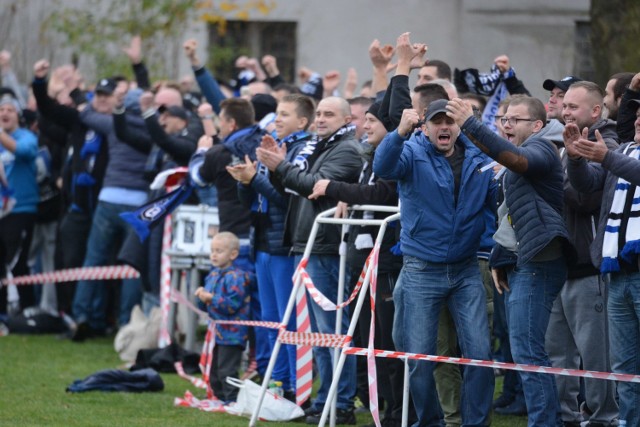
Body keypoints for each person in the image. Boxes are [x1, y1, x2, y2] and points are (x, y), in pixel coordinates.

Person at [374, 55, 497, 426]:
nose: (444, 127)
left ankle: (476, 424)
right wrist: (397, 132)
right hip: (421, 270)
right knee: (421, 360)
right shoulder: (411, 153)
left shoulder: (480, 158)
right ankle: (429, 422)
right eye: (437, 121)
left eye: (450, 121)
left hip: (464, 270)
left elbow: (495, 205)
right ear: (425, 127)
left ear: (459, 126)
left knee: (479, 355)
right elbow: (382, 167)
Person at [447, 95, 572, 427]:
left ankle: (545, 423)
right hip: (521, 264)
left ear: (537, 126)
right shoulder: (518, 154)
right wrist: (502, 259)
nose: (506, 124)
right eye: (503, 118)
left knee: (528, 351)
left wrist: (471, 124)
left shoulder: (543, 147)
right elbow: (511, 219)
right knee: (524, 351)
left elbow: (518, 161)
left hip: (539, 263)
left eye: (515, 119)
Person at [256, 96, 362, 425]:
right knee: (318, 333)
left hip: (327, 247)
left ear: (346, 120)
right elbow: (295, 189)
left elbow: (312, 187)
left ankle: (340, 403)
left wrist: (280, 167)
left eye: (329, 114)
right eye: (319, 113)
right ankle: (324, 398)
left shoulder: (346, 149)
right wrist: (278, 168)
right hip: (309, 244)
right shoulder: (320, 145)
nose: (320, 119)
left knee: (332, 330)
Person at [308, 101, 404, 427]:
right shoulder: (369, 156)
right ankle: (376, 405)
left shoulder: (392, 157)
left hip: (387, 260)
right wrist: (346, 196)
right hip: (363, 259)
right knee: (366, 342)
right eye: (365, 120)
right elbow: (368, 190)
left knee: (388, 343)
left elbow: (381, 194)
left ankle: (395, 412)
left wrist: (337, 189)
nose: (366, 126)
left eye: (373, 120)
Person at [226, 93, 315, 400]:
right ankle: (275, 382)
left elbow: (289, 201)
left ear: (302, 122)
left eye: (284, 115)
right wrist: (245, 179)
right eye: (277, 114)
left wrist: (258, 179)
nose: (277, 119)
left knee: (287, 320)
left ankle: (295, 387)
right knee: (269, 318)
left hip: (284, 245)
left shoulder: (303, 149)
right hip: (261, 240)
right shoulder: (270, 146)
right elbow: (249, 201)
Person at [546, 81, 619, 427]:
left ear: (595, 111)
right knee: (557, 351)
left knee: (595, 355)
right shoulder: (563, 144)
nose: (565, 111)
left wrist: (557, 180)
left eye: (574, 106)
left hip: (589, 268)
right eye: (565, 105)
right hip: (559, 266)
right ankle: (567, 418)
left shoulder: (609, 143)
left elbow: (589, 198)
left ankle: (603, 417)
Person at [564, 97, 640, 427]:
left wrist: (605, 157)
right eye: (637, 117)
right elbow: (588, 186)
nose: (637, 121)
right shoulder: (623, 152)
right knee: (623, 366)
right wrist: (576, 159)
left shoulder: (616, 155)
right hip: (617, 274)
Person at [195, 231, 251, 403]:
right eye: (212, 250)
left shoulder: (238, 277)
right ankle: (217, 395)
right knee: (213, 367)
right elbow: (206, 307)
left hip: (232, 333)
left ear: (233, 254)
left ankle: (232, 399)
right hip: (216, 333)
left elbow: (232, 305)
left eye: (219, 251)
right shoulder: (212, 275)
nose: (214, 254)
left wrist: (211, 298)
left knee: (227, 369)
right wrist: (200, 298)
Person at [0, 94, 38, 316]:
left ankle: (26, 309)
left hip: (21, 210)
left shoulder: (27, 137)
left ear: (18, 115)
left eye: (10, 110)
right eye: (1, 110)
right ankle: (2, 313)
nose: (4, 113)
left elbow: (24, 152)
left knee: (17, 262)